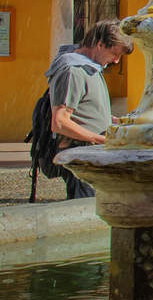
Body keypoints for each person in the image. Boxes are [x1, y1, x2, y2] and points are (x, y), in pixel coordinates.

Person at [47, 20, 134, 199]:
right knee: (83, 211)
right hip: (81, 157)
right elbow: (60, 122)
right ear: (100, 45)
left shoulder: (90, 69)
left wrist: (122, 122)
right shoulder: (73, 71)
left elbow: (88, 112)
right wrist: (102, 140)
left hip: (93, 156)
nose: (117, 60)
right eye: (115, 53)